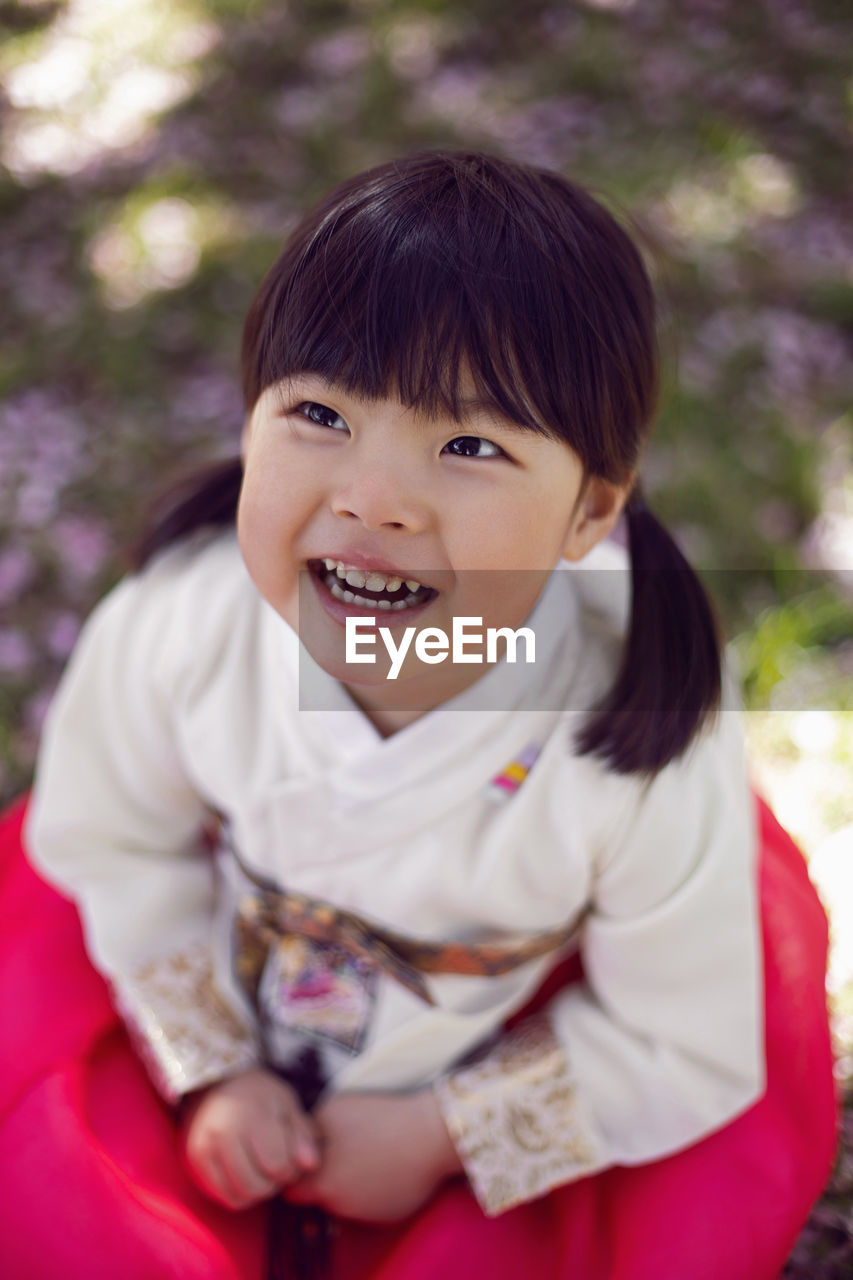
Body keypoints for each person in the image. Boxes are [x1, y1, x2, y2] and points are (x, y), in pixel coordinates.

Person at [0, 151, 837, 1280]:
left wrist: (444, 1129)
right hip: (232, 973)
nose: (371, 498)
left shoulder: (634, 740)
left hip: (488, 1036)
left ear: (591, 504)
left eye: (469, 445)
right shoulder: (182, 624)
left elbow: (673, 1033)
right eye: (318, 414)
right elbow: (114, 841)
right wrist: (214, 1063)